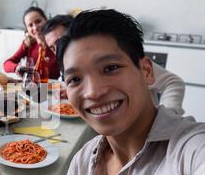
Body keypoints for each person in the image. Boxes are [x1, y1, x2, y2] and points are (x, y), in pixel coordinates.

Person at [56, 9, 205, 175]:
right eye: (75, 79)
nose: (93, 92)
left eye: (110, 68)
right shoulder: (81, 166)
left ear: (147, 71)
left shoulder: (192, 152)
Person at [42, 13, 186, 115]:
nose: (93, 93)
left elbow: (173, 82)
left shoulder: (116, 54)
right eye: (54, 47)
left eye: (110, 68)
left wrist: (168, 117)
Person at [3, 7, 60, 80]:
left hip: (56, 88)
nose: (35, 27)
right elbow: (6, 64)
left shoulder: (56, 41)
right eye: (30, 25)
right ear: (27, 29)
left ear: (46, 20)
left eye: (38, 21)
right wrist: (17, 68)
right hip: (33, 88)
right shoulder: (28, 44)